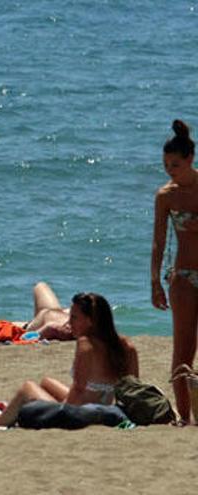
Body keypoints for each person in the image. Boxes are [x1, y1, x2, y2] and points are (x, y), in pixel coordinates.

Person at [0, 293, 139, 427]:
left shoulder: (86, 344)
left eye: (74, 317)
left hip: (81, 414)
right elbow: (133, 388)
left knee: (28, 388)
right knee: (46, 382)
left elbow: (78, 389)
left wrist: (61, 411)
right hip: (106, 409)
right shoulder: (126, 346)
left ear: (90, 321)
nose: (68, 323)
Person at [152, 119, 198, 424]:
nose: (171, 170)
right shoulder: (165, 196)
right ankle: (184, 416)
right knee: (182, 348)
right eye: (167, 164)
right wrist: (154, 281)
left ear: (191, 159)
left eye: (176, 164)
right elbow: (158, 241)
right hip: (182, 276)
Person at [0, 281, 75, 344]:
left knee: (0, 330)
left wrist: (48, 329)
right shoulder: (83, 320)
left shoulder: (57, 329)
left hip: (33, 325)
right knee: (40, 286)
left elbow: (25, 339)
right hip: (53, 312)